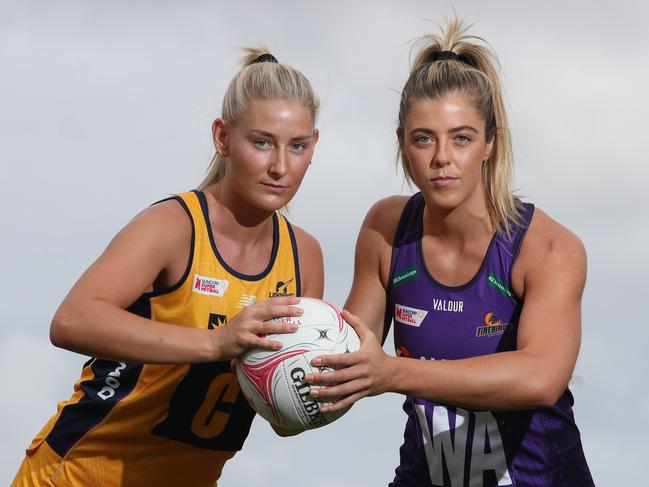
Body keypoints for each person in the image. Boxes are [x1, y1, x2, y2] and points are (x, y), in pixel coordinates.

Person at [13, 47, 323, 486]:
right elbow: (71, 321)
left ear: (314, 145)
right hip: (77, 475)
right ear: (222, 137)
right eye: (261, 142)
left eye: (297, 147)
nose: (280, 166)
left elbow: (281, 418)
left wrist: (321, 390)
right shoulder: (174, 227)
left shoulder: (303, 255)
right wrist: (217, 344)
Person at [306, 19, 595, 486]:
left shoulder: (549, 248)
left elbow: (541, 377)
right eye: (424, 138)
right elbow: (348, 363)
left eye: (461, 137)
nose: (442, 157)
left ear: (489, 143)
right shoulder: (386, 229)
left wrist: (393, 373)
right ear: (401, 144)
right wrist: (276, 360)